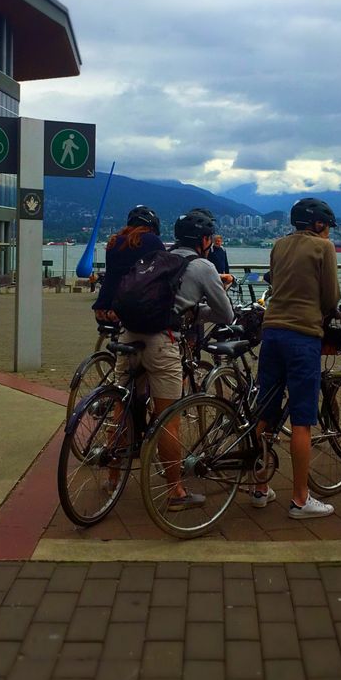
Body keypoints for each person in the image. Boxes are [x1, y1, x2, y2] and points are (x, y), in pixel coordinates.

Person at [125, 210, 235, 507]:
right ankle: (175, 491)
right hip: (161, 340)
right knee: (168, 418)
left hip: (128, 334)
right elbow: (226, 315)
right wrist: (198, 310)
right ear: (204, 240)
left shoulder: (158, 257)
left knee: (124, 405)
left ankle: (112, 477)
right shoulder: (202, 265)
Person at [255, 198, 341, 519]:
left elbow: (276, 283)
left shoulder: (279, 245)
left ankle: (260, 486)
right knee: (302, 419)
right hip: (303, 336)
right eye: (328, 226)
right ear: (319, 224)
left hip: (272, 331)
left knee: (265, 409)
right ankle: (300, 499)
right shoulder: (324, 249)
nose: (330, 232)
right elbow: (331, 295)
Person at [91, 206, 163, 323]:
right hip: (128, 311)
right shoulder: (152, 240)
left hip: (102, 310)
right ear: (152, 227)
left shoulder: (114, 241)